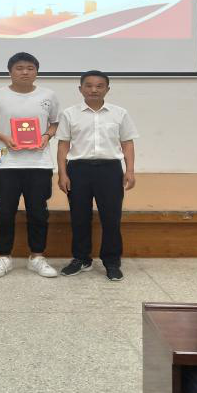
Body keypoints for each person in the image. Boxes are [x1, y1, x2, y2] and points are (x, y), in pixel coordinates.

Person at [0, 52, 60, 278]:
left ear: (37, 71)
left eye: (30, 68)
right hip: (6, 163)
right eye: (19, 68)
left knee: (38, 212)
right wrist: (2, 136)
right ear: (10, 71)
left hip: (39, 163)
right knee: (4, 211)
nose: (25, 72)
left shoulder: (48, 95)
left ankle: (37, 257)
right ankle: (4, 257)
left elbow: (56, 122)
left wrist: (47, 135)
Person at [56, 70, 138, 281]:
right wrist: (62, 173)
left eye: (99, 86)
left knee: (111, 217)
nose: (94, 89)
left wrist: (129, 170)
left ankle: (112, 262)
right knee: (79, 217)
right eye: (89, 85)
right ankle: (81, 259)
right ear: (80, 89)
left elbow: (127, 143)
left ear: (107, 89)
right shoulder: (69, 114)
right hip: (78, 170)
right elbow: (63, 145)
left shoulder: (119, 113)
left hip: (110, 170)